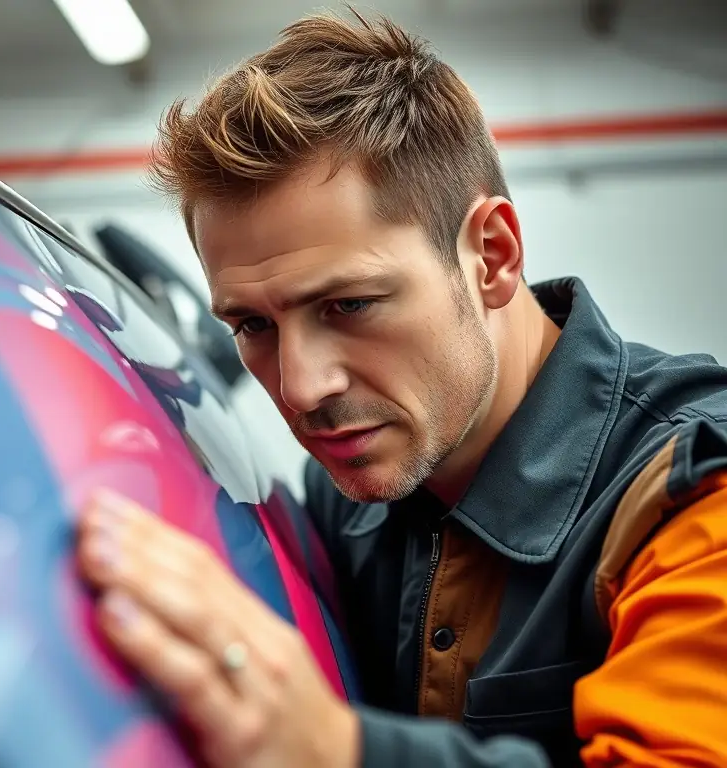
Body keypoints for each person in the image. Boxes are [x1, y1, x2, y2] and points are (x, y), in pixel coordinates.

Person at [74, 9, 727, 767]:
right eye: (253, 325)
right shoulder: (345, 505)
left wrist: (334, 751)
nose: (304, 387)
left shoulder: (692, 499)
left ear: (492, 255)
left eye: (348, 305)